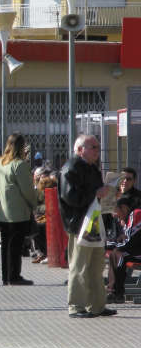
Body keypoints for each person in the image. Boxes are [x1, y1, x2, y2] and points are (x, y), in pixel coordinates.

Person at [58, 134, 116, 318]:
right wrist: (96, 192)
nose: (97, 152)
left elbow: (97, 194)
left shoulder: (91, 168)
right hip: (80, 224)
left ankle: (97, 305)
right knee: (80, 265)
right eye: (93, 147)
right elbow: (71, 197)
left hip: (95, 222)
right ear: (80, 149)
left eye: (98, 148)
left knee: (96, 266)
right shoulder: (71, 168)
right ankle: (76, 306)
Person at [0, 133, 37, 285]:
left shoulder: (1, 163)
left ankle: (5, 275)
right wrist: (34, 204)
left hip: (4, 211)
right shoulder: (20, 164)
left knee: (6, 245)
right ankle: (14, 276)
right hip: (18, 212)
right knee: (16, 245)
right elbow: (27, 189)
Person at [105, 197, 141, 303]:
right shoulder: (128, 218)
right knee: (117, 254)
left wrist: (108, 244)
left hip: (137, 251)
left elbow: (128, 242)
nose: (114, 215)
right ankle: (115, 292)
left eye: (114, 210)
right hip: (135, 250)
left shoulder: (136, 214)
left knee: (118, 254)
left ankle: (115, 292)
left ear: (124, 208)